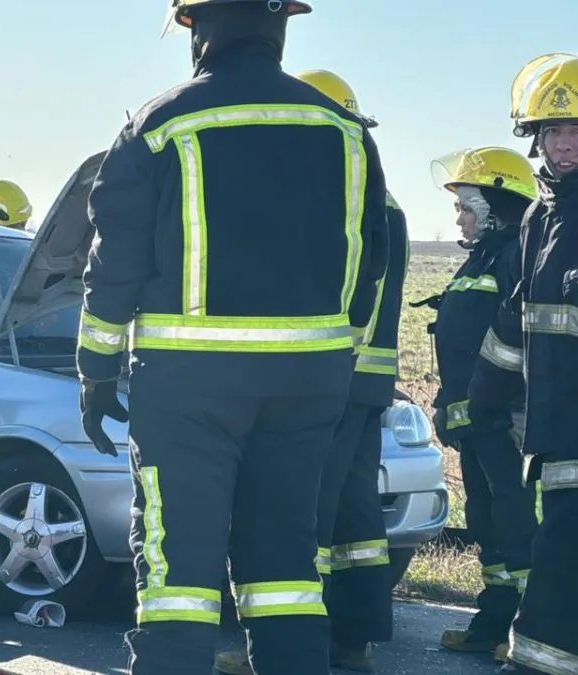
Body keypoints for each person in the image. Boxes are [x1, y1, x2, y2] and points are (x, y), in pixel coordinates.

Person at [77, 2, 390, 673]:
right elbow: (369, 264)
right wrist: (333, 362)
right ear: (280, 24)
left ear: (200, 27)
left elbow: (114, 267)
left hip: (188, 389)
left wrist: (95, 370)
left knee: (179, 582)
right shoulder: (344, 129)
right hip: (309, 388)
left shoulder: (157, 126)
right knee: (286, 572)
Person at [213, 68, 408, 675]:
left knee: (310, 521)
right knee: (357, 523)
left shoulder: (341, 205)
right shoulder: (386, 201)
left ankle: (303, 648)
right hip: (366, 383)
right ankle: (356, 640)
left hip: (333, 380)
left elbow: (353, 295)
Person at [415, 147, 538, 660]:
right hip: (476, 421)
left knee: (518, 525)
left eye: (467, 206)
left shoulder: (516, 254)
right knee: (489, 523)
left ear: (497, 204)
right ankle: (492, 624)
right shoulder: (482, 256)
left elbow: (519, 340)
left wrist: (493, 409)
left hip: (507, 419)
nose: (459, 217)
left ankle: (530, 631)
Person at [481, 53, 578, 675]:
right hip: (557, 426)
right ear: (535, 138)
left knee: (563, 552)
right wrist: (482, 398)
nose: (566, 145)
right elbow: (520, 317)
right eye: (555, 132)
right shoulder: (540, 216)